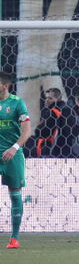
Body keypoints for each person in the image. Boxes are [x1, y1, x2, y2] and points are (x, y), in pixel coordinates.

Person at [0, 72, 30, 249]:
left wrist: (14, 148)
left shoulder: (17, 103)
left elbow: (27, 131)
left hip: (13, 154)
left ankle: (14, 238)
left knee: (15, 194)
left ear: (6, 86)